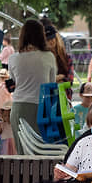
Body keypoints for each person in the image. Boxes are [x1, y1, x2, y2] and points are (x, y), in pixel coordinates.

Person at [8, 20, 57, 154]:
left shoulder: (13, 59)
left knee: (23, 152)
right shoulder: (49, 57)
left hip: (19, 107)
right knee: (42, 152)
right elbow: (52, 84)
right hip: (43, 107)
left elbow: (14, 80)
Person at [45, 25, 74, 97]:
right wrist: (60, 77)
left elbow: (70, 81)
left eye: (52, 38)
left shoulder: (66, 57)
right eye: (47, 40)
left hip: (65, 96)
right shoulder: (43, 59)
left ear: (56, 38)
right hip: (48, 97)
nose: (51, 41)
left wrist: (58, 79)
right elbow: (43, 81)